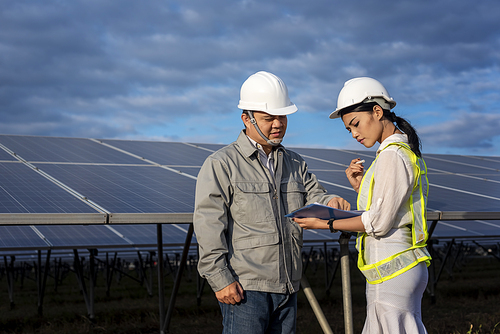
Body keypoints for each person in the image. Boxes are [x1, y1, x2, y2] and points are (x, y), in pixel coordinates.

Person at [193, 70, 350, 334]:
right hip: (246, 288)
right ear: (247, 118)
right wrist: (220, 280)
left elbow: (315, 195)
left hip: (288, 285)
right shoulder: (222, 164)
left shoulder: (295, 163)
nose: (278, 124)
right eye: (269, 118)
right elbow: (208, 225)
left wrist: (331, 200)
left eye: (282, 116)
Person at [294, 77, 431, 333]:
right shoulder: (403, 151)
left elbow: (377, 222)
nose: (354, 133)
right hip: (401, 266)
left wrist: (325, 223)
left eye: (356, 124)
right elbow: (390, 208)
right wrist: (359, 187)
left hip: (391, 270)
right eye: (349, 129)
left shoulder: (391, 155)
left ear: (377, 111)